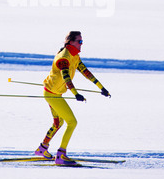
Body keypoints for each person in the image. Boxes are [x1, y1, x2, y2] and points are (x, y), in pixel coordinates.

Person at [35, 31, 111, 166]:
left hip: (54, 93)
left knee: (58, 123)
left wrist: (101, 88)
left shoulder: (74, 56)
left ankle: (42, 149)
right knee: (72, 122)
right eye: (79, 41)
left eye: (82, 41)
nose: (82, 44)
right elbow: (66, 77)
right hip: (52, 94)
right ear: (71, 42)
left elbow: (85, 72)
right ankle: (61, 155)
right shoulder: (64, 57)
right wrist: (76, 94)